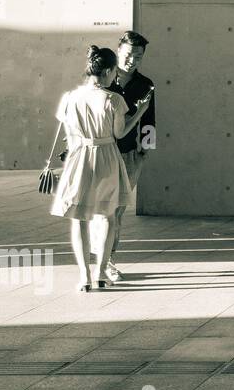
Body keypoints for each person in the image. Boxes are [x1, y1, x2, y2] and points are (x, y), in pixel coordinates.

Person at [50, 46, 153, 291]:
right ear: (107, 71)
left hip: (78, 158)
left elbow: (67, 131)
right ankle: (100, 271)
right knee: (107, 216)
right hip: (106, 155)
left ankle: (84, 276)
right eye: (113, 71)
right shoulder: (113, 99)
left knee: (79, 219)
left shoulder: (69, 98)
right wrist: (139, 112)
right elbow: (119, 133)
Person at [92, 30, 155, 281]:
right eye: (129, 55)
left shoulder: (146, 84)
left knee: (116, 211)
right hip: (100, 153)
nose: (132, 60)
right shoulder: (103, 80)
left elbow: (150, 120)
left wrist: (144, 151)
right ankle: (100, 259)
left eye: (138, 56)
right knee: (100, 210)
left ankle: (107, 260)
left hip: (129, 155)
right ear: (119, 52)